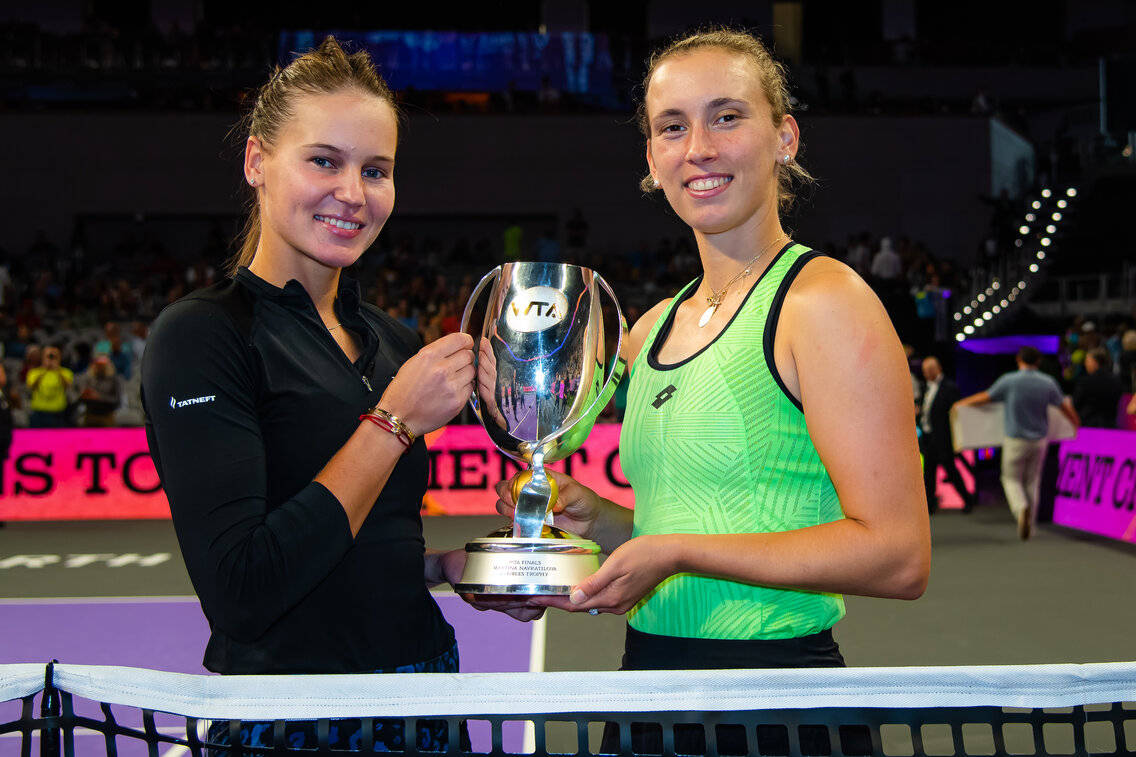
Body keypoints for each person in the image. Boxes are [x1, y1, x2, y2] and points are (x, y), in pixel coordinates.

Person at [496, 29, 929, 750]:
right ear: (652, 159)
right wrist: (601, 520)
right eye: (673, 127)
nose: (698, 146)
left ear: (784, 137)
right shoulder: (651, 328)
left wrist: (677, 552)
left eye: (727, 116)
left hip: (778, 707)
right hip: (646, 694)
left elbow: (898, 554)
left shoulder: (823, 300)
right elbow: (688, 529)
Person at [141, 37, 533, 754]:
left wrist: (446, 566)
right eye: (324, 160)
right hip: (288, 714)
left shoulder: (393, 340)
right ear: (257, 161)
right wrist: (393, 422)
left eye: (375, 169)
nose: (353, 192)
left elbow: (357, 544)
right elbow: (244, 589)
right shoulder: (201, 336)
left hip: (425, 701)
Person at [954, 346, 1080, 540]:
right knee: (1033, 481)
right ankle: (1032, 526)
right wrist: (1075, 422)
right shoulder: (1048, 382)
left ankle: (1021, 510)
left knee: (1010, 479)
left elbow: (985, 398)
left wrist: (961, 404)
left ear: (1018, 359)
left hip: (1015, 438)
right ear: (1038, 361)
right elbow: (1063, 406)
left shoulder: (1009, 381)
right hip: (1039, 440)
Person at [918, 357, 975, 512]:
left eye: (929, 370)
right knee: (929, 473)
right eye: (924, 371)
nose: (927, 374)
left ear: (938, 369)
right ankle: (929, 505)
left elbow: (955, 414)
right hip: (928, 437)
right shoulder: (925, 388)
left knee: (951, 471)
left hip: (943, 438)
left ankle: (967, 499)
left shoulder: (949, 387)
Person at [1072, 347, 1122, 428]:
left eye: (1087, 361)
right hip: (1111, 426)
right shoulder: (1116, 381)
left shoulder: (1085, 382)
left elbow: (1076, 403)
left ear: (1095, 362)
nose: (1085, 364)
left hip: (1088, 425)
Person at [27, 346, 73, 428]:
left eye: (54, 357)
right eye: (48, 356)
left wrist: (57, 369)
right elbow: (31, 386)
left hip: (58, 413)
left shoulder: (65, 372)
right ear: (42, 358)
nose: (51, 359)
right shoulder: (34, 372)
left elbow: (68, 386)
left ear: (59, 358)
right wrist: (44, 369)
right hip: (39, 412)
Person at [75, 353, 122, 427]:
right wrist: (84, 395)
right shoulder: (88, 378)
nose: (100, 367)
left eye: (102, 365)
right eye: (98, 364)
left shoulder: (114, 380)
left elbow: (117, 401)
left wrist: (99, 397)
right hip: (90, 415)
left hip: (107, 416)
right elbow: (79, 398)